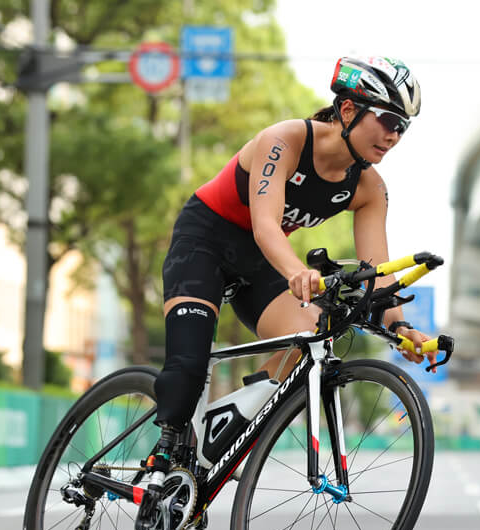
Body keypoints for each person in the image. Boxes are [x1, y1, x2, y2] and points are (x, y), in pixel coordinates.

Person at [153, 55, 437, 465]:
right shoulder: (284, 140)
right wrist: (296, 273)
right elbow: (265, 224)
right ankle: (161, 464)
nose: (394, 136)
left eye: (403, 128)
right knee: (188, 367)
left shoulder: (370, 188)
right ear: (347, 110)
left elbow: (377, 273)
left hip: (259, 261)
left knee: (312, 335)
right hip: (205, 242)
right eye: (388, 121)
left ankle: (225, 430)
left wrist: (401, 326)